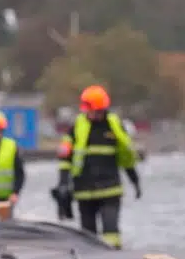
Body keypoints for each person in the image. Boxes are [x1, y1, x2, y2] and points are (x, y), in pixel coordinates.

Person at [56, 85, 141, 248]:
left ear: (100, 109)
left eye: (90, 109)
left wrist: (135, 181)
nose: (88, 113)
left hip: (110, 190)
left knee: (111, 234)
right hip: (84, 192)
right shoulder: (76, 127)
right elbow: (65, 159)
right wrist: (63, 184)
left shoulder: (114, 126)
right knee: (88, 238)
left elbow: (126, 158)